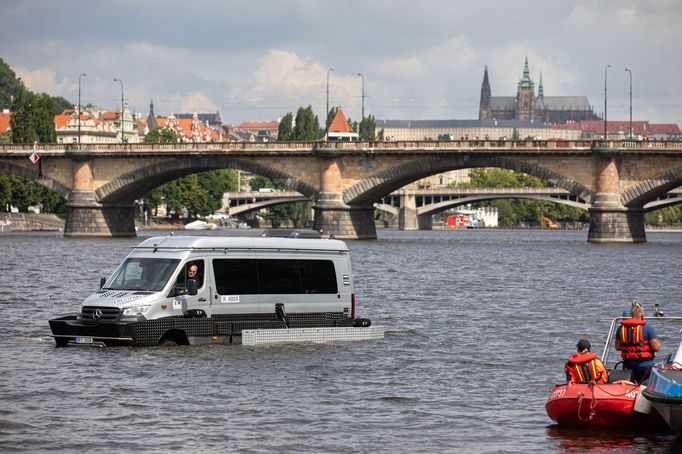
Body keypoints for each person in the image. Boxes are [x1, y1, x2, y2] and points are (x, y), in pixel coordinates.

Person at [615, 300, 661, 383]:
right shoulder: (648, 328)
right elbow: (656, 348)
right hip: (645, 367)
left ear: (631, 315)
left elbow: (617, 347)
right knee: (646, 385)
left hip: (628, 365)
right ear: (642, 315)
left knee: (629, 387)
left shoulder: (620, 328)